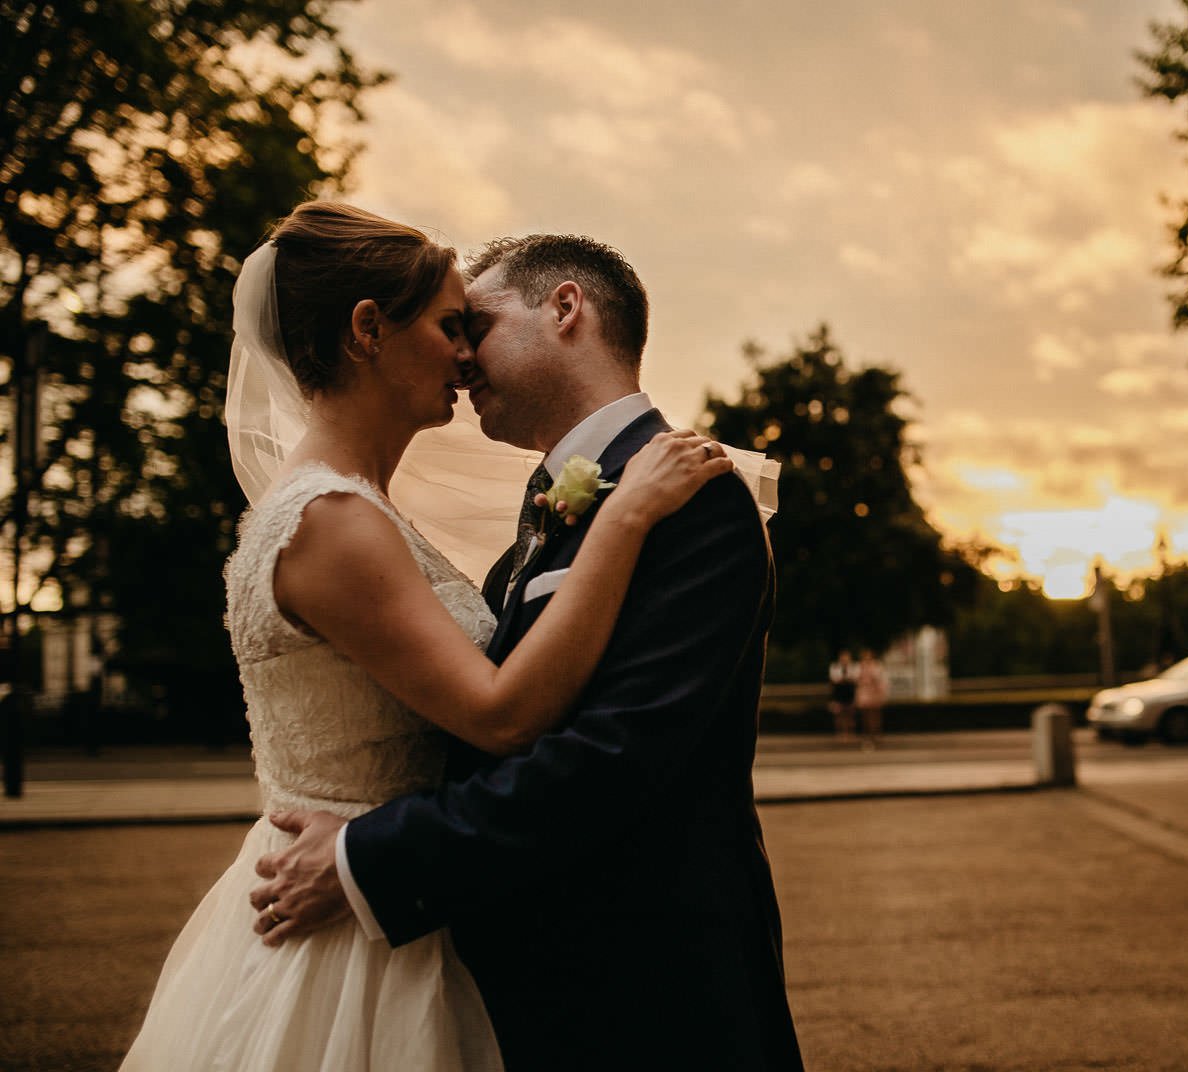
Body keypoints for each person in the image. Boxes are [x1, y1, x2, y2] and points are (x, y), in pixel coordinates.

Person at [119, 203, 746, 1070]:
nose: (463, 354)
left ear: (564, 311)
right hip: (357, 939)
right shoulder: (338, 519)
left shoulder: (685, 498)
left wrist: (367, 860)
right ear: (369, 331)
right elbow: (499, 719)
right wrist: (618, 520)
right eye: (453, 327)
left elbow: (608, 756)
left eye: (474, 325)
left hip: (628, 985)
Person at [855, 648, 889, 749]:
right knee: (866, 715)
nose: (867, 659)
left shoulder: (877, 666)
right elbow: (856, 679)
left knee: (875, 714)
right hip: (865, 693)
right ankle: (867, 735)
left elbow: (880, 679)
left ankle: (876, 734)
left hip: (874, 693)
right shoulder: (860, 667)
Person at [828, 648, 859, 743]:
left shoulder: (854, 667)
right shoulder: (835, 666)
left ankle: (850, 733)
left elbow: (855, 678)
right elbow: (834, 679)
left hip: (850, 692)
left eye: (847, 657)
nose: (845, 659)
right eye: (843, 657)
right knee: (839, 715)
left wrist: (844, 680)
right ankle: (840, 734)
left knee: (850, 714)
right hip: (838, 693)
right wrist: (845, 679)